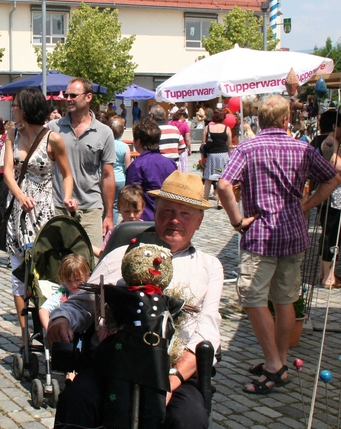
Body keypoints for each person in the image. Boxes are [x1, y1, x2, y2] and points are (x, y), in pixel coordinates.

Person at [48, 171, 222, 429]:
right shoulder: (121, 254)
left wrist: (170, 380)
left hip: (174, 370)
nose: (175, 220)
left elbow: (207, 328)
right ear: (156, 210)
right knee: (77, 401)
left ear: (199, 220)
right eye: (167, 211)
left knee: (188, 419)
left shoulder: (209, 266)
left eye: (186, 214)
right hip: (112, 364)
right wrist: (62, 318)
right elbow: (81, 303)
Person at [216, 94, 341, 394]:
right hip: (294, 232)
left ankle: (274, 363)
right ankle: (280, 361)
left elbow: (222, 185)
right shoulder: (301, 148)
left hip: (260, 233)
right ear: (287, 120)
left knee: (251, 295)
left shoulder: (247, 147)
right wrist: (307, 205)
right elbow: (334, 178)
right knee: (285, 299)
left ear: (259, 119)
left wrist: (236, 221)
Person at [4, 88, 77, 342]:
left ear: (27, 108)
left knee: (46, 271)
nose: (13, 109)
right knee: (18, 273)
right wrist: (20, 196)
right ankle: (24, 333)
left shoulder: (52, 138)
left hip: (44, 211)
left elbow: (67, 174)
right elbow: (8, 172)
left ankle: (51, 325)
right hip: (18, 211)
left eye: (16, 105)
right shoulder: (12, 134)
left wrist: (67, 197)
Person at [48, 78, 116, 254]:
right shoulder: (53, 128)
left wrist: (108, 215)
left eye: (73, 95)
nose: (68, 98)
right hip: (58, 206)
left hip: (91, 208)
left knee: (92, 262)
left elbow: (108, 175)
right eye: (66, 95)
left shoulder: (104, 132)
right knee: (60, 262)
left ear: (88, 97)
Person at [310, 109, 341, 289]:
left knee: (327, 233)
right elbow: (336, 166)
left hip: (322, 193)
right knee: (332, 234)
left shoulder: (316, 140)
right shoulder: (330, 141)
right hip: (332, 195)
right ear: (334, 126)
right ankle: (328, 277)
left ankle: (325, 272)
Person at [126, 118, 177, 222]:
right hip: (167, 218)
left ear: (138, 142)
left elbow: (131, 197)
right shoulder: (171, 164)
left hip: (145, 220)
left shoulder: (137, 165)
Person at [39, 253, 91, 330]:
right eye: (69, 281)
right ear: (62, 279)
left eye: (78, 280)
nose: (73, 284)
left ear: (86, 276)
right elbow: (43, 310)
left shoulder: (90, 291)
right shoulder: (62, 293)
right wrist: (49, 330)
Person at [202, 108, 232, 208]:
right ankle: (220, 201)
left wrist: (202, 158)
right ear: (223, 118)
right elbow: (229, 145)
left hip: (212, 155)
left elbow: (203, 145)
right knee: (221, 177)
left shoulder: (208, 128)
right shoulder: (227, 129)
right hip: (223, 154)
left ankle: (205, 199)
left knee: (208, 178)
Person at [101, 184, 145, 249]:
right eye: (127, 211)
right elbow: (104, 254)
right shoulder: (114, 232)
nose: (132, 216)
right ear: (119, 209)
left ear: (143, 208)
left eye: (136, 211)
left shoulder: (146, 231)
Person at [109, 118, 131, 223]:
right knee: (115, 206)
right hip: (120, 179)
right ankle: (111, 228)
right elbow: (128, 166)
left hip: (104, 177)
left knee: (104, 204)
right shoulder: (125, 147)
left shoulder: (105, 144)